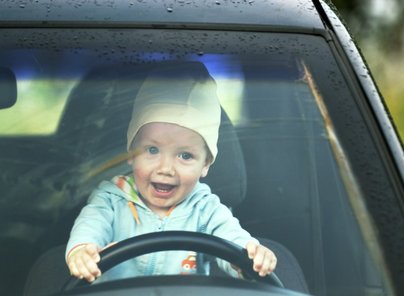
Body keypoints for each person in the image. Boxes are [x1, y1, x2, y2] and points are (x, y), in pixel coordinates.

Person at [65, 61, 277, 283]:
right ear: (131, 154)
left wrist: (251, 255)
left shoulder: (204, 207)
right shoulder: (110, 199)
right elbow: (90, 226)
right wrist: (82, 251)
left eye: (185, 156)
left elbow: (231, 237)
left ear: (206, 164)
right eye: (152, 150)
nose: (166, 169)